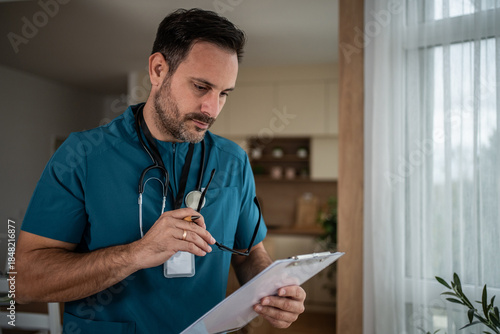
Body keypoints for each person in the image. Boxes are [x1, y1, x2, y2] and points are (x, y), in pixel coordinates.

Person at [16, 8, 306, 334]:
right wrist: (136, 254)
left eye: (223, 94)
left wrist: (273, 290)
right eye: (200, 87)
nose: (212, 109)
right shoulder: (83, 156)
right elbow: (25, 281)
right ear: (157, 70)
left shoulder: (233, 161)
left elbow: (250, 253)